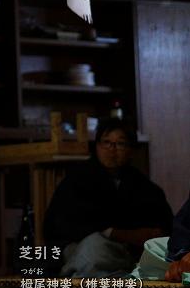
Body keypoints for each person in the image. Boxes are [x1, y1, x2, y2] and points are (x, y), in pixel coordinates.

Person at [43, 118, 173, 277]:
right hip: (83, 248)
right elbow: (62, 223)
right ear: (97, 146)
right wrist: (114, 233)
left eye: (120, 143)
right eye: (106, 142)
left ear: (130, 149)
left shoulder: (144, 186)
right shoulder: (77, 178)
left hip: (127, 253)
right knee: (93, 248)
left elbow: (162, 227)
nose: (112, 149)